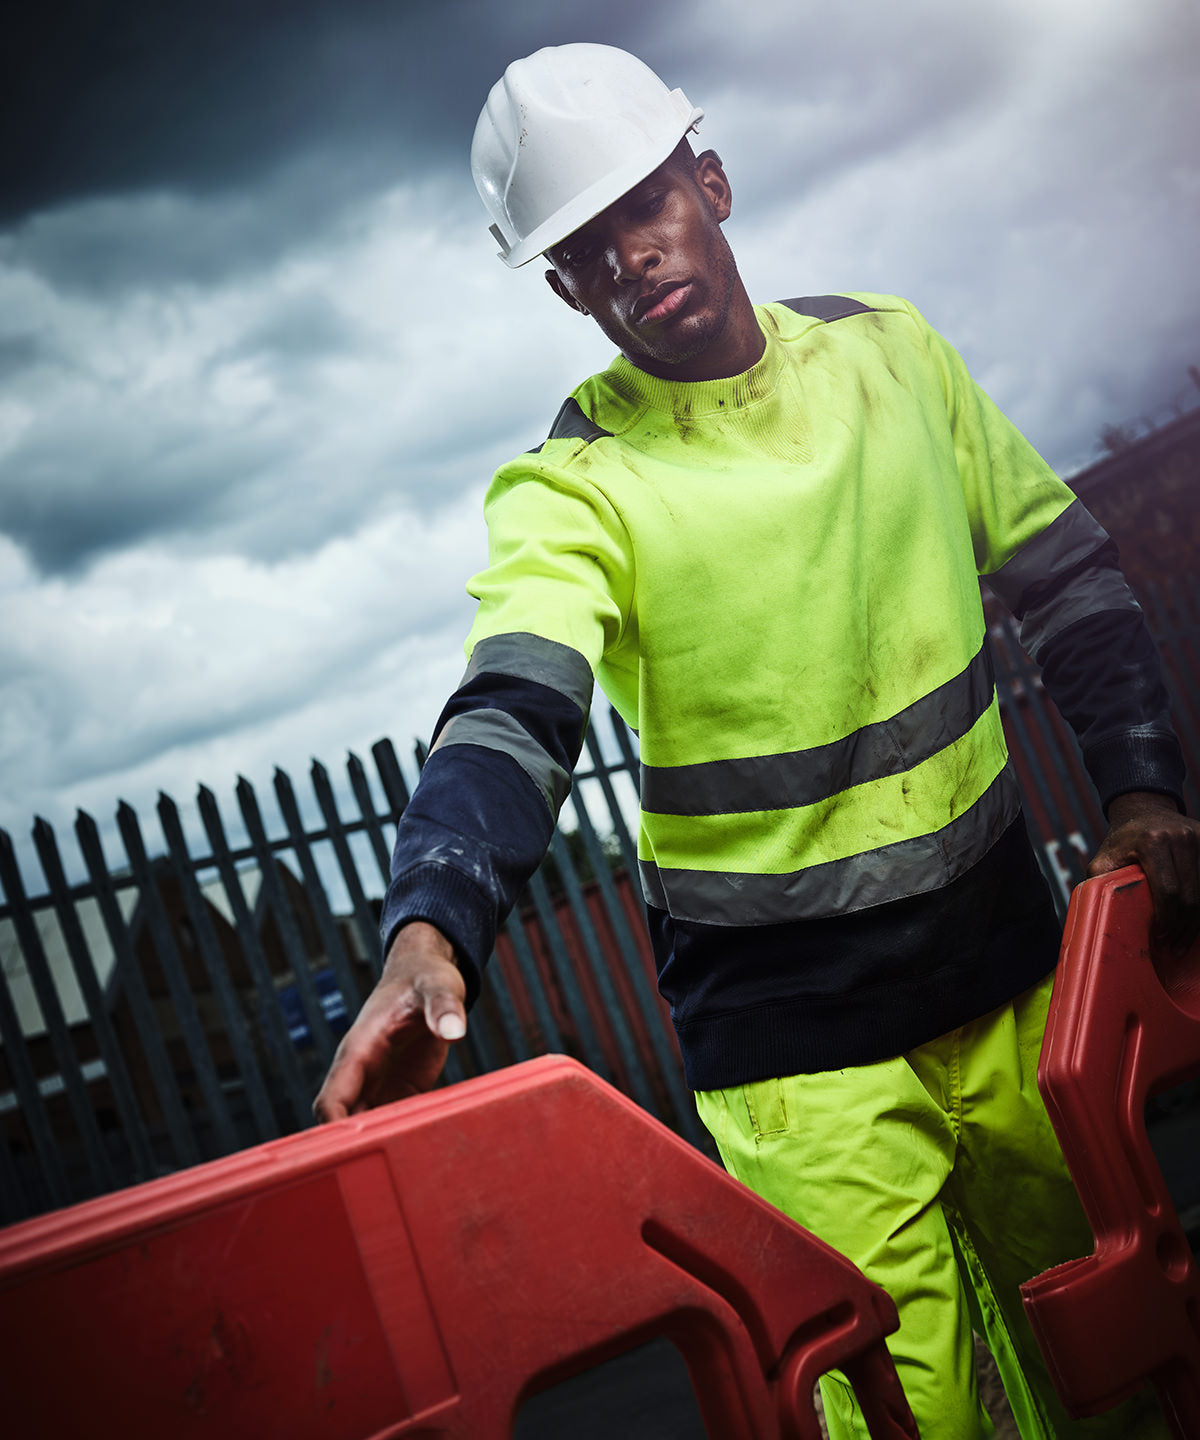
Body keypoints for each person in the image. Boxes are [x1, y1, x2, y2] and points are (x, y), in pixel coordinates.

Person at [315, 43, 1196, 1439]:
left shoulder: (892, 357)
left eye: (644, 211)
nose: (628, 262)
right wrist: (433, 925)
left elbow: (1073, 581)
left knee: (1124, 1358)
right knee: (905, 1416)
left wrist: (1144, 790)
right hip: (796, 1054)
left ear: (710, 186)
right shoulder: (572, 488)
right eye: (584, 252)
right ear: (560, 288)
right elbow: (515, 705)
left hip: (1011, 970)